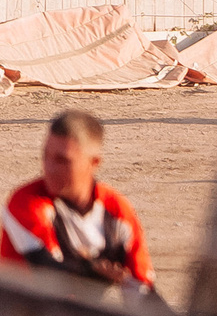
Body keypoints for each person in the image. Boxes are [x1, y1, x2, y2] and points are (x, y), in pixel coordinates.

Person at [3, 111, 156, 294]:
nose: (49, 168)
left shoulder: (117, 210)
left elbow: (144, 292)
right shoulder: (27, 200)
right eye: (46, 156)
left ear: (94, 162)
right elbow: (47, 271)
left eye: (62, 161)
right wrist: (92, 271)